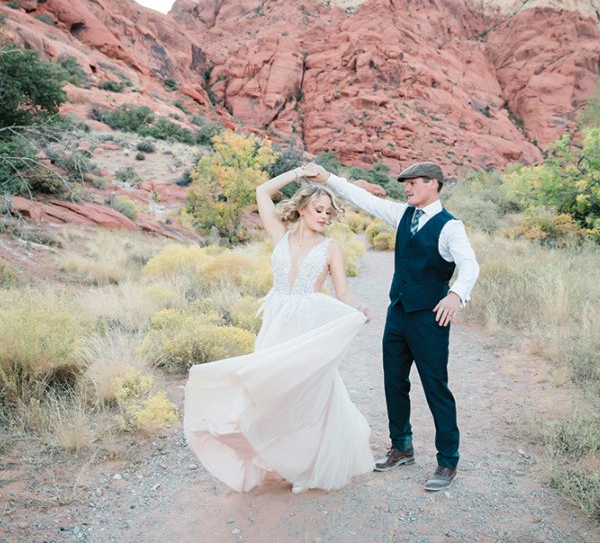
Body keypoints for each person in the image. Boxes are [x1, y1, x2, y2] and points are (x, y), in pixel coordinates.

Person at [184, 166, 374, 494]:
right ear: (301, 209)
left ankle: (302, 463)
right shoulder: (279, 235)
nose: (324, 216)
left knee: (304, 393)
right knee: (266, 388)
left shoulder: (331, 248)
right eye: (318, 210)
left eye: (329, 212)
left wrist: (358, 307)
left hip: (307, 325)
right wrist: (300, 172)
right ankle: (269, 452)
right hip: (275, 322)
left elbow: (342, 291)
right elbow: (262, 191)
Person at [306, 161, 479, 491]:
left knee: (435, 387)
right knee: (394, 382)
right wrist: (327, 178)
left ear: (433, 185)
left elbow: (470, 266)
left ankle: (448, 461)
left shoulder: (450, 227)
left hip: (430, 319)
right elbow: (364, 199)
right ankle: (401, 447)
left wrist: (456, 294)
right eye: (406, 183)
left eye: (413, 183)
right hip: (398, 313)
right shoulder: (403, 215)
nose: (407, 188)